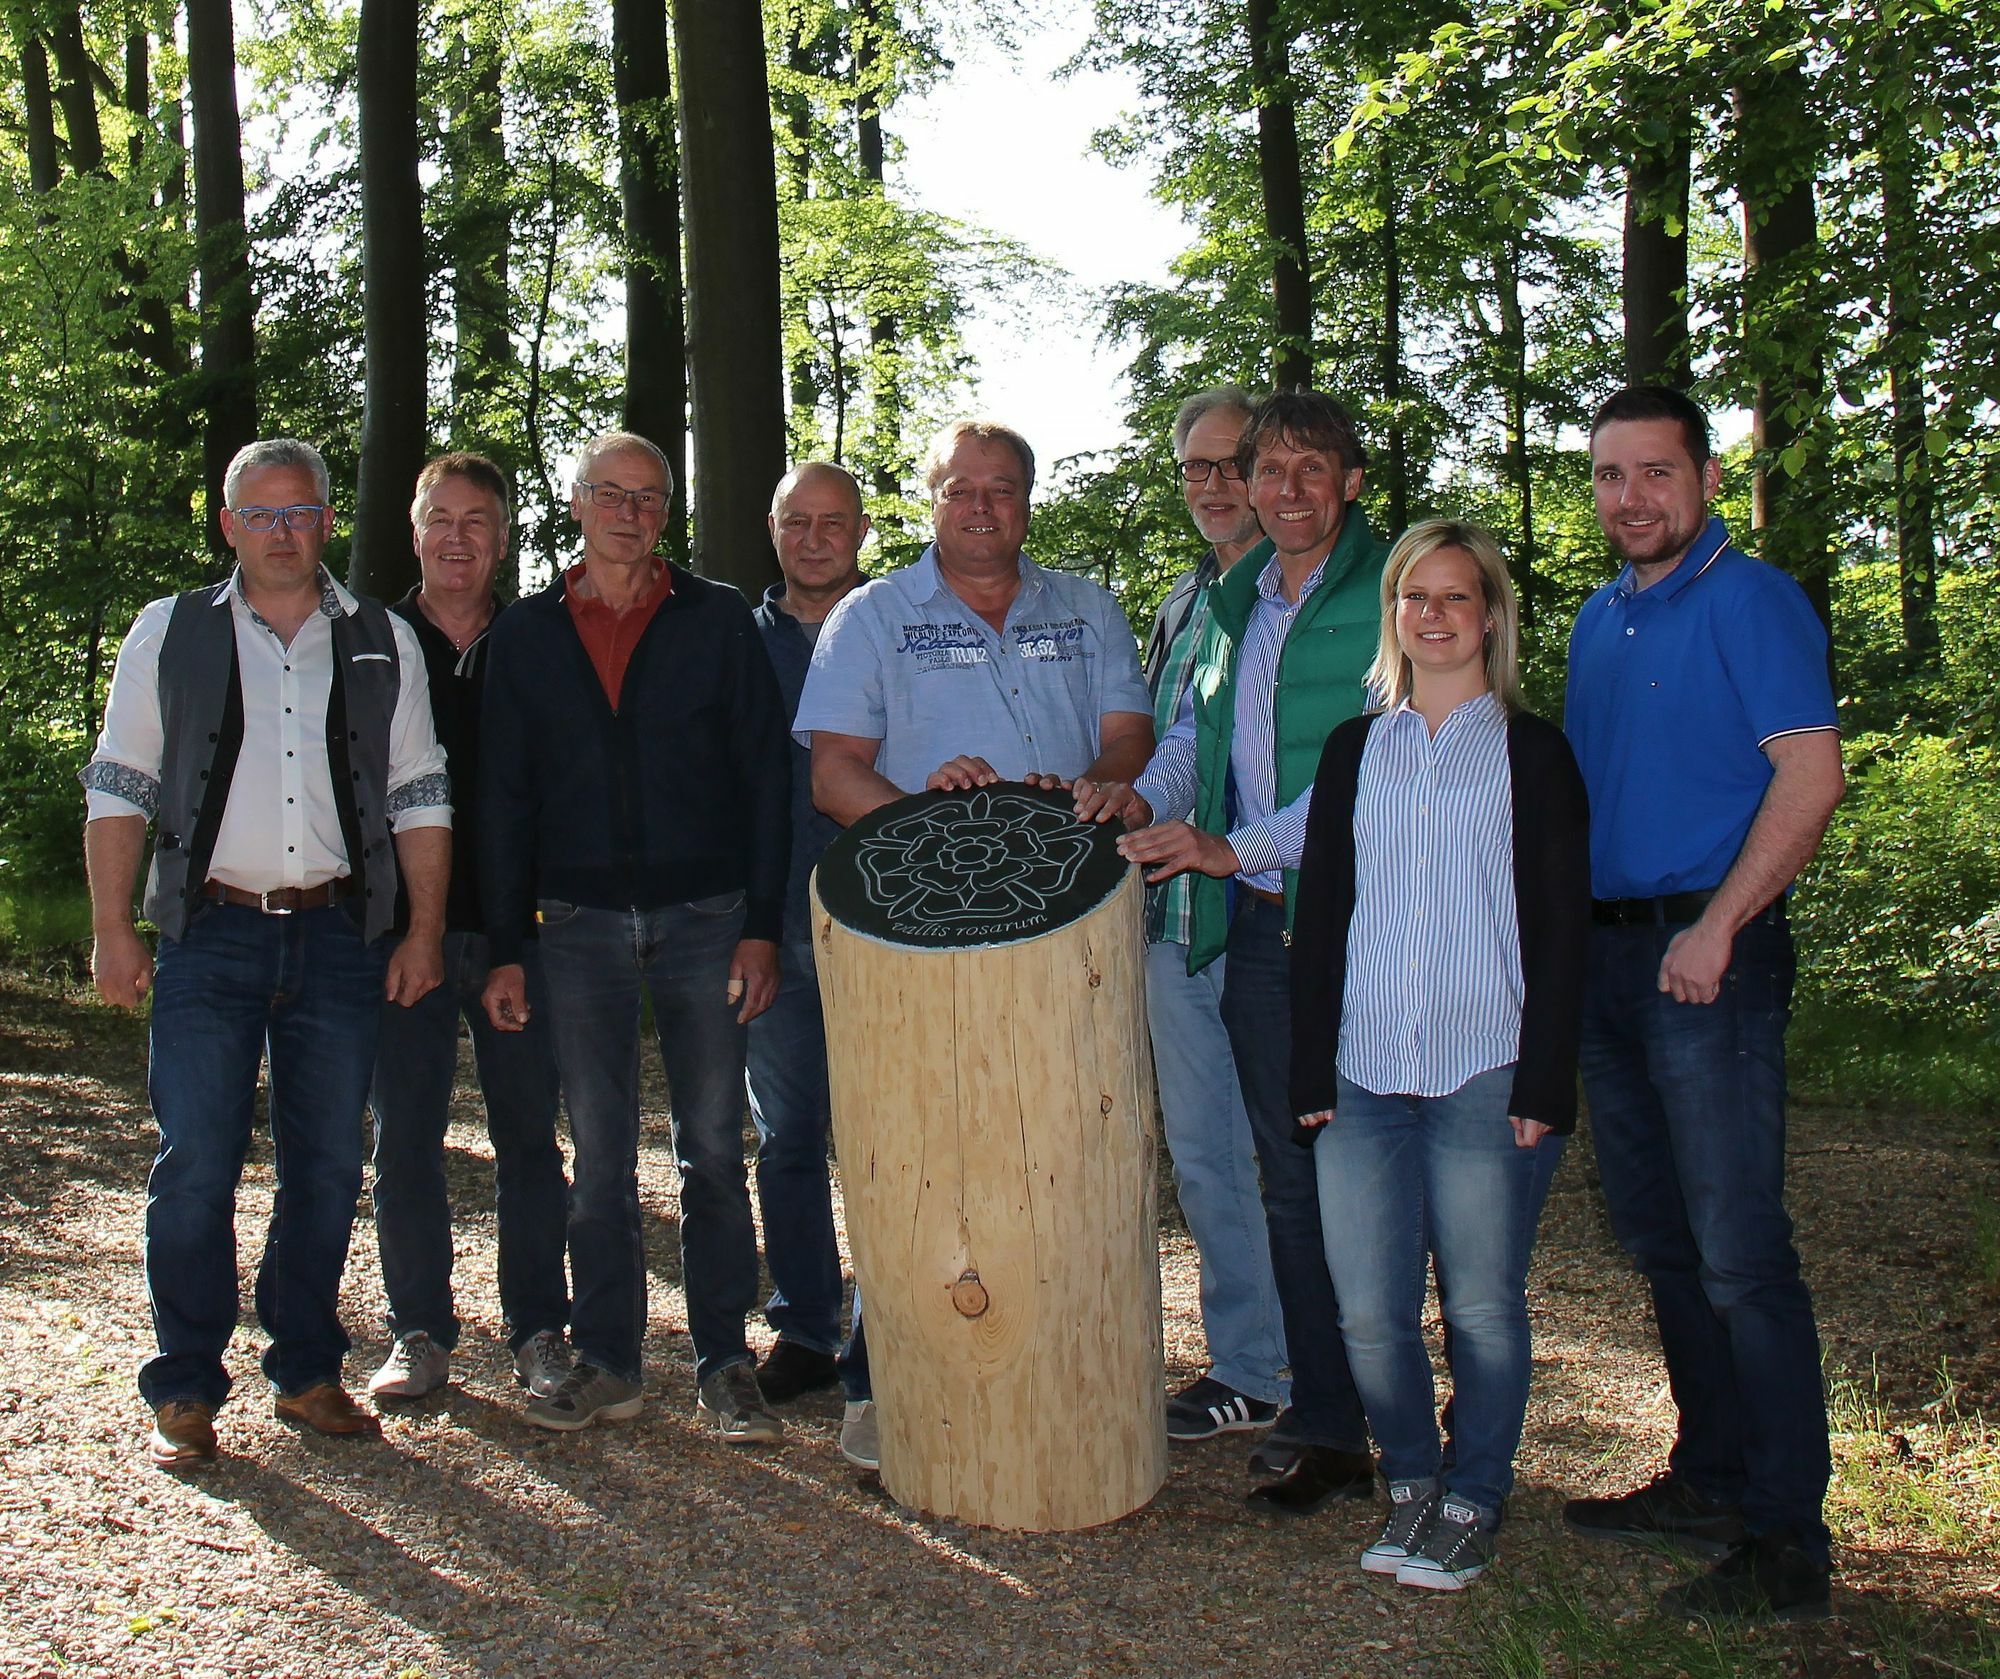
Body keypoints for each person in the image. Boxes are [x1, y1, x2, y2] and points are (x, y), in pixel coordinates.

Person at [81, 438, 451, 1468]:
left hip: (340, 935)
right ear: (228, 525)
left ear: (327, 520)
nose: (282, 531)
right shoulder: (170, 631)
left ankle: (305, 1368)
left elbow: (420, 789)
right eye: (261, 513)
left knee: (326, 1167)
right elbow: (121, 779)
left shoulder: (381, 636)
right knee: (196, 1163)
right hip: (209, 932)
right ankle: (185, 1384)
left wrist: (423, 930)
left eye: (299, 512)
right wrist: (113, 925)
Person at [794, 418, 1154, 1468]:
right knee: (917, 1154)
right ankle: (884, 1381)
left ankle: (1062, 1371)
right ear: (931, 500)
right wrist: (928, 824)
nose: (982, 505)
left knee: (1064, 1152)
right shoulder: (871, 616)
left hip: (1070, 940)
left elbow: (1129, 738)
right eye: (961, 488)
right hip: (920, 944)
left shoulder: (1087, 607)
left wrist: (1086, 787)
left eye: (1002, 487)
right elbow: (834, 774)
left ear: (1027, 500)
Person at [1559, 386, 1844, 1624]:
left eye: (1655, 472)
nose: (1630, 498)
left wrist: (1717, 925)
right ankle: (1709, 1475)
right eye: (1609, 475)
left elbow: (1810, 776)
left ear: (1706, 477)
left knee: (1737, 1252)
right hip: (1607, 963)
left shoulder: (1752, 600)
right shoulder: (1596, 618)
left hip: (1708, 963)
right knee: (1661, 1239)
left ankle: (1786, 1538)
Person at [1083, 388, 1387, 1515]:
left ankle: (1406, 1415)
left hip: (1368, 924)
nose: (1274, 489)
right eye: (1263, 469)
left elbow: (1380, 762)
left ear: (1348, 482)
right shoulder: (1228, 602)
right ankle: (1321, 1411)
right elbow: (1193, 736)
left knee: (1373, 1169)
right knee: (1288, 1170)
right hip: (1257, 921)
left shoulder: (1396, 587)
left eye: (1306, 469)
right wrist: (1140, 800)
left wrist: (1229, 846)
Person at [1289, 520, 1589, 1589]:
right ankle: (1411, 1479)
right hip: (1361, 1070)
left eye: (1456, 596)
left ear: (1490, 617)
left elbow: (1563, 926)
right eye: (1415, 596)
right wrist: (1308, 1070)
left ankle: (1475, 1493)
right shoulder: (1353, 749)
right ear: (1394, 615)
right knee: (1369, 1311)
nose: (1433, 614)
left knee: (1481, 1306)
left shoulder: (1532, 752)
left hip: (1485, 1067)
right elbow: (1322, 914)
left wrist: (1546, 1078)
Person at [478, 431, 792, 1443]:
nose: (629, 513)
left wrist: (761, 927)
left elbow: (764, 778)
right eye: (609, 494)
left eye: (648, 497)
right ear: (575, 504)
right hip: (573, 925)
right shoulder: (526, 634)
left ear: (667, 510)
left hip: (707, 918)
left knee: (714, 1149)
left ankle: (724, 1361)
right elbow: (500, 799)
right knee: (600, 1155)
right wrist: (506, 943)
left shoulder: (717, 619)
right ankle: (609, 1360)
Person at [364, 454, 572, 1408]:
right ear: (414, 534)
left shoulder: (538, 641)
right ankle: (418, 1329)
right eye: (439, 519)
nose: (457, 537)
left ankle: (538, 1330)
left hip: (514, 937)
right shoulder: (367, 641)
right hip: (397, 933)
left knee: (528, 1137)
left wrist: (524, 933)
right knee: (404, 1137)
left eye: (476, 520)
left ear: (504, 538)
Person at [1139, 389, 1289, 1442]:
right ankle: (1252, 1365)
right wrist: (1123, 807)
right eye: (1196, 466)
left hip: (1285, 914)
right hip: (1180, 916)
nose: (1214, 484)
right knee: (1203, 1152)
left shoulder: (1318, 595)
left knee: (1297, 1153)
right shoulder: (1182, 603)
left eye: (1233, 463)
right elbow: (1176, 746)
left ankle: (1321, 1365)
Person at [747, 462, 871, 1407]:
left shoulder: (897, 627)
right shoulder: (733, 641)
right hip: (773, 921)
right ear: (774, 529)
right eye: (799, 521)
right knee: (787, 1135)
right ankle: (804, 1325)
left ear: (862, 531)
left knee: (889, 1136)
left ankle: (888, 1327)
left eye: (834, 522)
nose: (816, 538)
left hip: (884, 924)